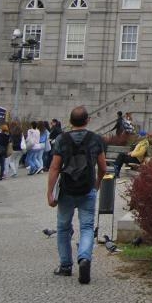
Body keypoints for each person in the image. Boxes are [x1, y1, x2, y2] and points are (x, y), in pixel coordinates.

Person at [47, 106, 107, 284]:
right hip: (87, 188)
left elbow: (55, 167)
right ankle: (84, 258)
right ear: (88, 120)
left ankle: (65, 266)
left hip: (66, 189)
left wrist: (50, 193)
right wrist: (97, 185)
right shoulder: (96, 139)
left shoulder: (61, 139)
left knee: (64, 227)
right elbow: (103, 167)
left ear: (70, 121)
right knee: (87, 227)